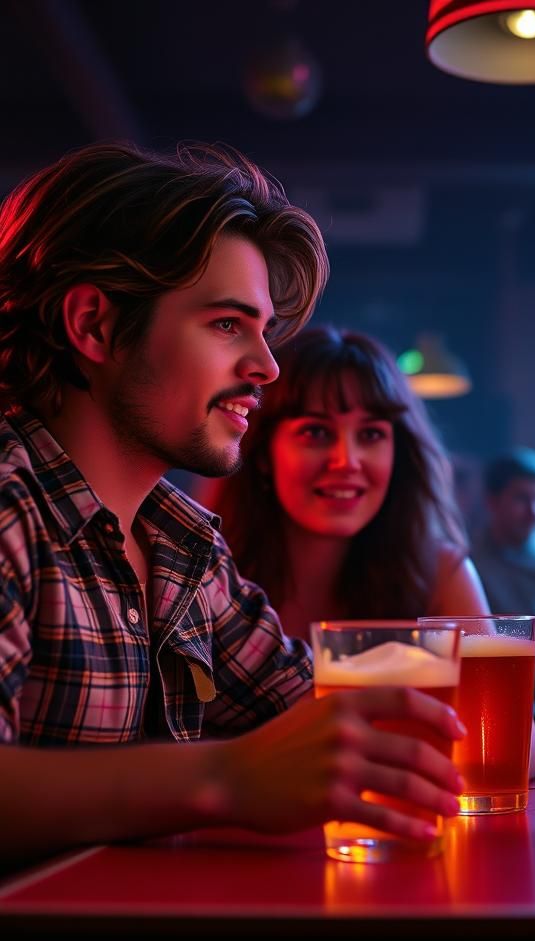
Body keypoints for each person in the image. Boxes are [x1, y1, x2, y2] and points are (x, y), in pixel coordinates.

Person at [0, 143, 465, 865]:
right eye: (226, 325)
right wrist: (221, 778)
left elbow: (318, 718)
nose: (267, 366)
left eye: (265, 330)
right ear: (92, 324)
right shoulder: (10, 510)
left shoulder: (183, 545)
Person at [212, 325, 535, 774]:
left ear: (398, 454)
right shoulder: (208, 567)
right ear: (265, 454)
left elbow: (518, 750)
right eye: (315, 432)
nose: (346, 461)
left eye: (370, 435)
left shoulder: (437, 567)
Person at [471, 447, 535, 702]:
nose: (534, 511)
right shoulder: (465, 565)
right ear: (492, 502)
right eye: (522, 498)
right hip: (492, 702)